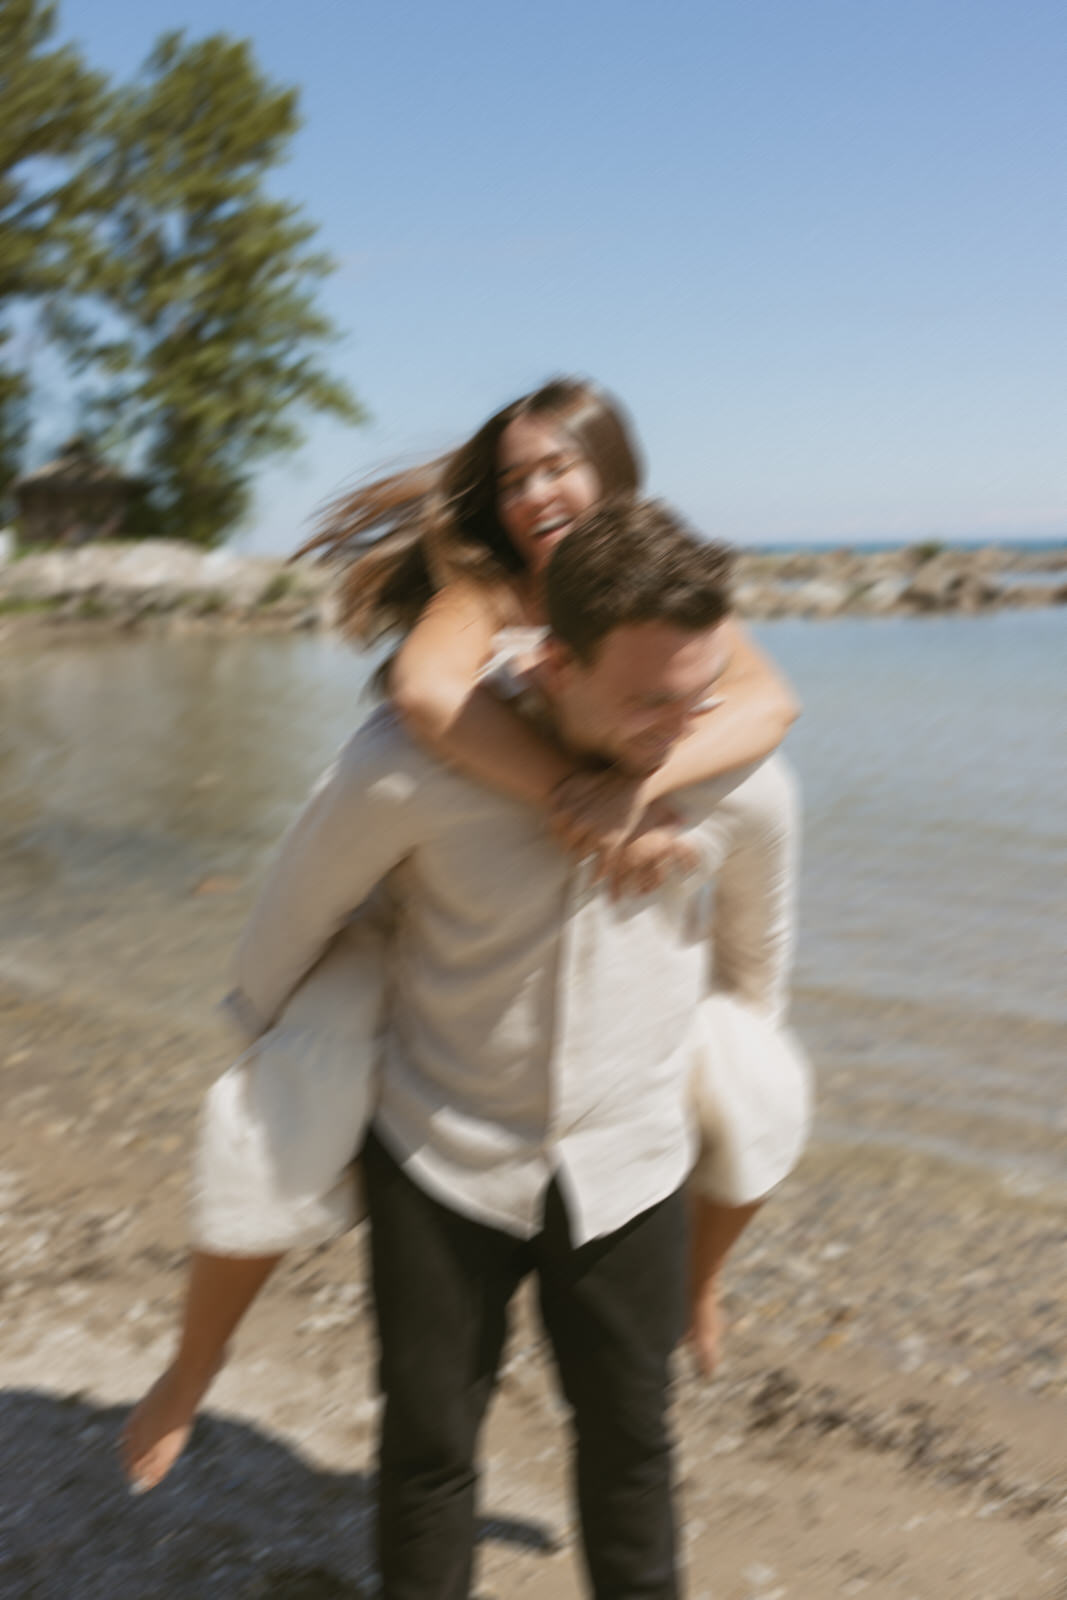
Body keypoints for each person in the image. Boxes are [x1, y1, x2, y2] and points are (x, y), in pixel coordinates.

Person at [121, 380, 803, 1496]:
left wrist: (637, 794)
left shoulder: (657, 595)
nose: (537, 492)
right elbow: (431, 698)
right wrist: (573, 796)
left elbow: (767, 707)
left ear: (615, 473)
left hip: (582, 963)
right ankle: (192, 1366)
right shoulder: (481, 590)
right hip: (414, 917)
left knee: (756, 1077)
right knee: (274, 1095)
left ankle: (699, 1283)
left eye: (559, 466)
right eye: (515, 476)